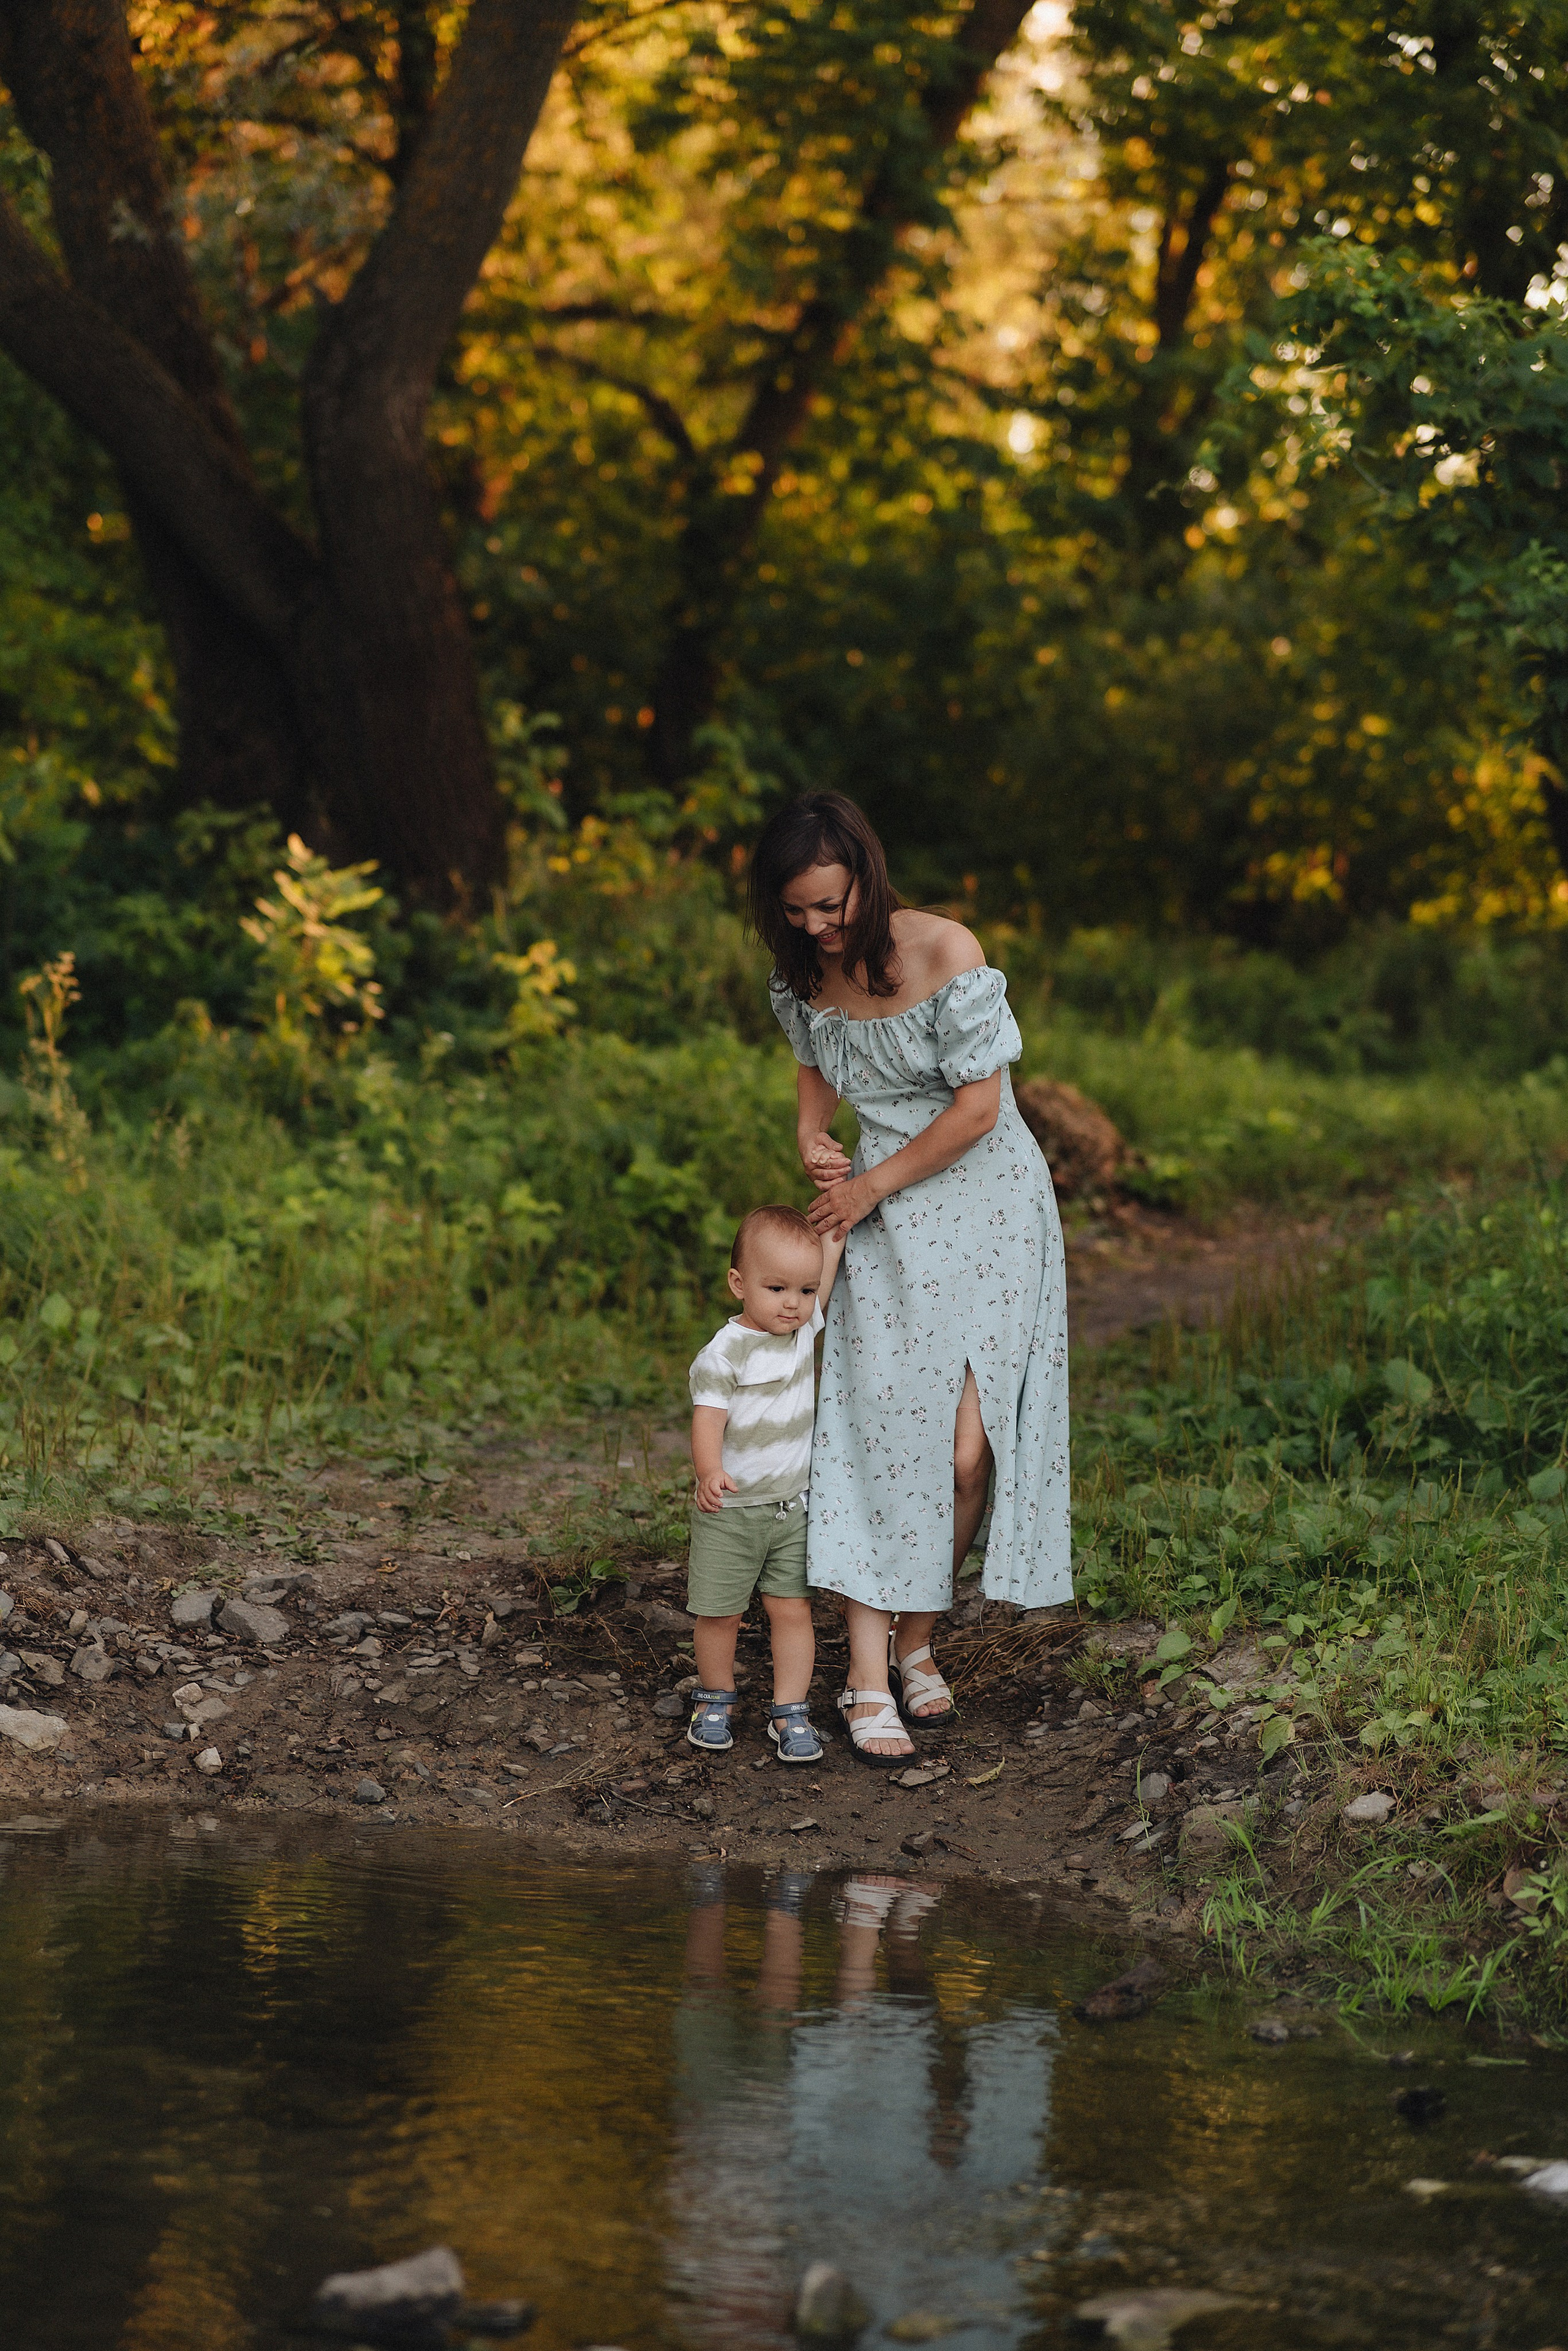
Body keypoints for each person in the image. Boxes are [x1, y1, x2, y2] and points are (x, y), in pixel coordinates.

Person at [750, 791, 1070, 1766]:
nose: (815, 926)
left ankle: (917, 1640)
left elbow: (980, 1110)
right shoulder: (805, 967)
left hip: (987, 1207)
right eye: (796, 909)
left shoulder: (948, 954)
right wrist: (815, 1141)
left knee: (970, 1452)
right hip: (882, 1221)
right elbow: (818, 1078)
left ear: (867, 876)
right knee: (880, 1431)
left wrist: (868, 1188)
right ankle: (861, 1671)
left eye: (830, 905)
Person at [686, 1202, 845, 1764]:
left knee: (791, 1609)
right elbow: (708, 1418)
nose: (793, 1303)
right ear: (738, 1284)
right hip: (731, 1508)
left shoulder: (803, 1332)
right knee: (721, 1610)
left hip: (791, 1508)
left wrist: (836, 1225)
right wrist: (710, 1471)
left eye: (804, 1291)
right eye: (776, 1288)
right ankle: (715, 1698)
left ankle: (790, 1708)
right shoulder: (723, 1354)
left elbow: (825, 1264)